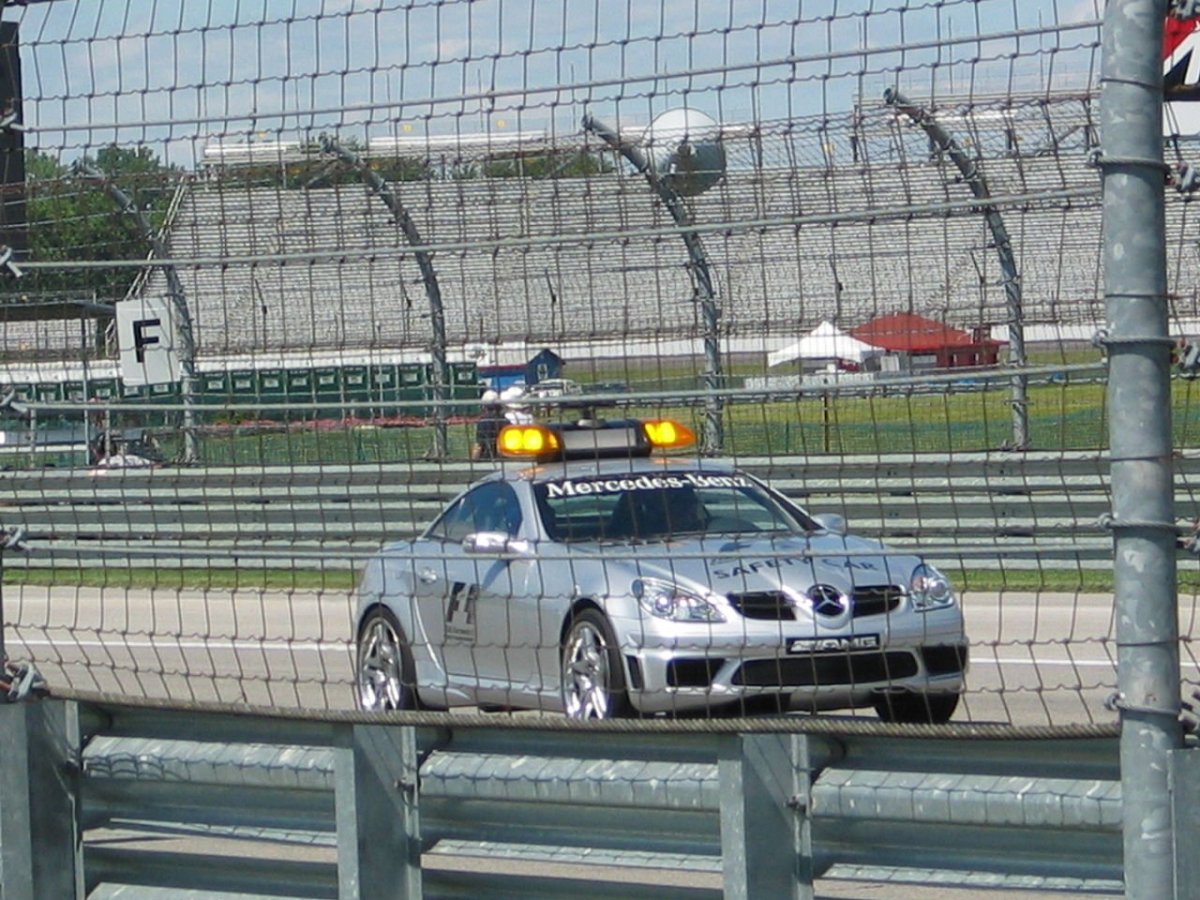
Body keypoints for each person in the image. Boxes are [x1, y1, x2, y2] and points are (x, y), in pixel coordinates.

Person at [471, 389, 506, 460]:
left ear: (484, 406)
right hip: (504, 458)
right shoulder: (505, 421)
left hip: (486, 459)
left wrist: (473, 461)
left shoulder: (483, 422)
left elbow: (478, 446)